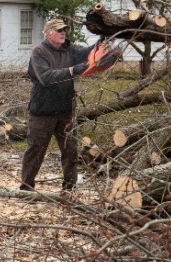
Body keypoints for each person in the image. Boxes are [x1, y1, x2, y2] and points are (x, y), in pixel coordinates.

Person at [20, 18, 121, 191]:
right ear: (48, 33)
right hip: (42, 111)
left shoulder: (69, 48)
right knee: (36, 150)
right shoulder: (39, 52)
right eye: (59, 30)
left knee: (70, 150)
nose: (63, 33)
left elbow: (87, 54)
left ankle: (69, 188)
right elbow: (46, 77)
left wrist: (102, 40)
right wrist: (73, 70)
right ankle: (26, 188)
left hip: (65, 109)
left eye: (64, 30)